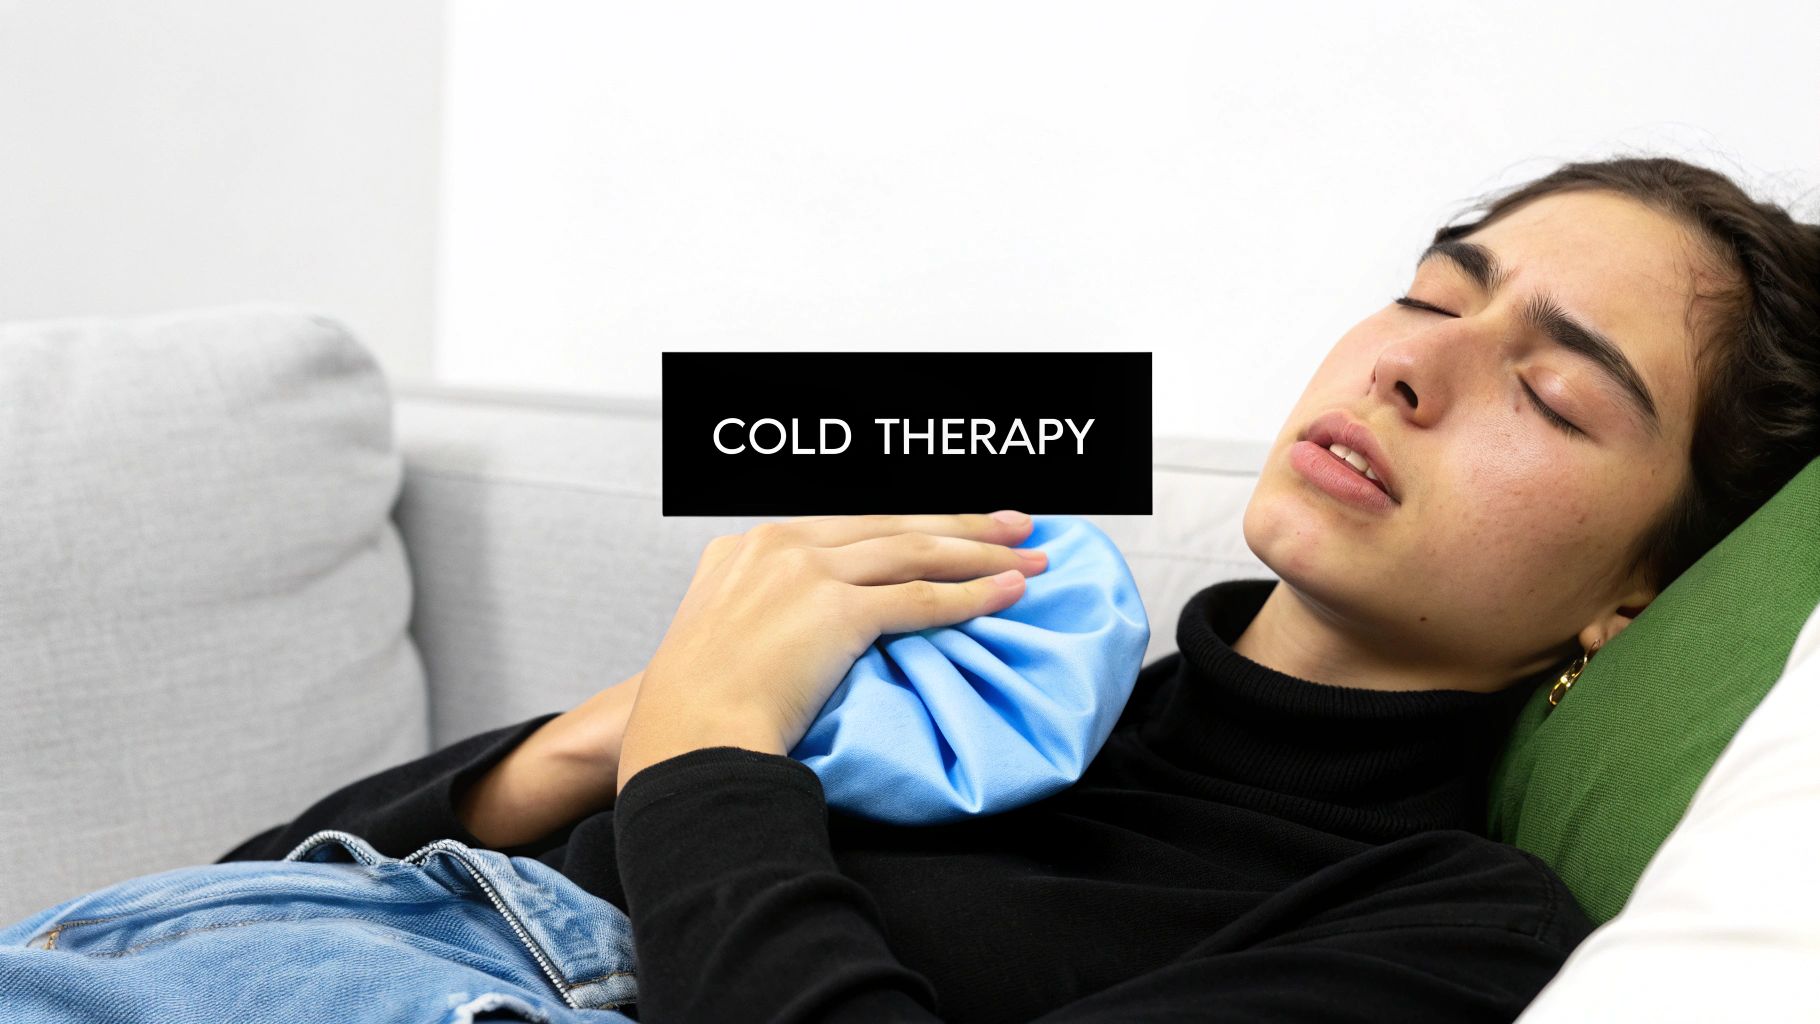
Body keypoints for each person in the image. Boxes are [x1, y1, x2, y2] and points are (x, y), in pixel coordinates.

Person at [20, 155, 1820, 1024]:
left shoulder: (1455, 932)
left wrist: (712, 754)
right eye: (1433, 294)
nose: (1412, 367)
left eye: (1554, 394)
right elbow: (240, 904)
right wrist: (608, 735)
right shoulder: (989, 668)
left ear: (1639, 595)